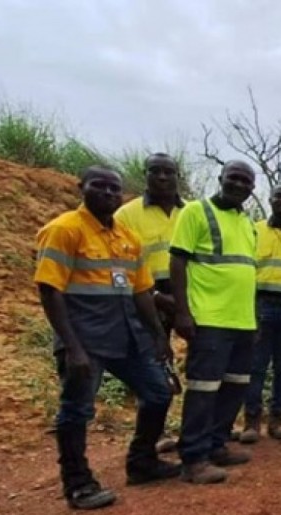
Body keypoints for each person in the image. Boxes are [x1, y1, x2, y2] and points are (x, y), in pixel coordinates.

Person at [33, 166, 179, 510]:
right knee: (77, 409)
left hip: (128, 336)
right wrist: (72, 348)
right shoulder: (64, 230)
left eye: (115, 189)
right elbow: (50, 290)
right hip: (85, 339)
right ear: (81, 187)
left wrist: (159, 337)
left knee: (158, 392)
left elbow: (142, 292)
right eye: (99, 186)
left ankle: (142, 462)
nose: (109, 194)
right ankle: (78, 483)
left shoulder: (127, 237)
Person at [168, 160, 259, 484]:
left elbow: (246, 272)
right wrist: (182, 312)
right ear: (221, 178)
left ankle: (217, 445)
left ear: (252, 189)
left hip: (242, 320)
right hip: (209, 319)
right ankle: (193, 459)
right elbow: (177, 262)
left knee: (235, 386)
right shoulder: (195, 212)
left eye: (246, 182)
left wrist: (253, 319)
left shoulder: (248, 223)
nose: (239, 185)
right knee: (204, 389)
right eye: (233, 178)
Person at [114, 153, 186, 454]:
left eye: (169, 172)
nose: (162, 177)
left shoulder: (192, 212)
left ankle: (197, 429)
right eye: (155, 171)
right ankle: (154, 435)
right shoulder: (126, 214)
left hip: (188, 295)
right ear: (145, 175)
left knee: (203, 364)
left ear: (178, 176)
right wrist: (155, 297)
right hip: (145, 297)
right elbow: (120, 265)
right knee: (155, 362)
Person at [239, 184, 281, 443]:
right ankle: (251, 421)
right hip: (260, 305)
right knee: (255, 366)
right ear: (270, 200)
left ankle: (277, 419)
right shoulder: (253, 229)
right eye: (280, 196)